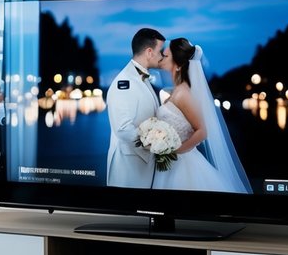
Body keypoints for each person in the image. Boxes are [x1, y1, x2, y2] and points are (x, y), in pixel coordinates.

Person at [153, 38, 251, 193]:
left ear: (178, 66)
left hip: (183, 164)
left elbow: (202, 131)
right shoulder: (175, 91)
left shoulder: (183, 94)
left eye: (165, 56)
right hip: (173, 163)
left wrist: (176, 151)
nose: (161, 58)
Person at [106, 27, 166, 187]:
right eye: (161, 51)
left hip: (142, 164)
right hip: (128, 168)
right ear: (149, 52)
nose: (163, 56)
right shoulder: (124, 82)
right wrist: (155, 143)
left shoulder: (141, 77)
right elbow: (123, 128)